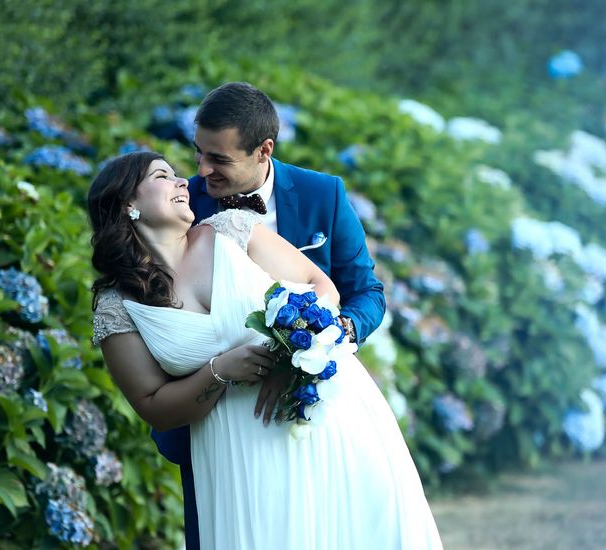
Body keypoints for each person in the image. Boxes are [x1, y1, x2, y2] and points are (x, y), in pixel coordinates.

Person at [89, 151, 443, 548]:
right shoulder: (117, 306)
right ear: (128, 205)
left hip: (319, 414)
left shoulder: (231, 230)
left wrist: (289, 355)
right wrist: (219, 370)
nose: (183, 181)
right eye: (163, 176)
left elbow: (320, 286)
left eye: (176, 175)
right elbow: (152, 405)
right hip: (235, 453)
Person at [157, 81, 387, 549]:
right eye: (198, 153)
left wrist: (317, 347)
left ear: (264, 150)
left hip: (311, 407)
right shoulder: (183, 208)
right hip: (214, 418)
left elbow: (366, 294)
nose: (201, 171)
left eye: (219, 159)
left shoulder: (325, 194)